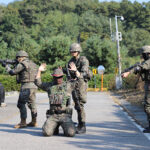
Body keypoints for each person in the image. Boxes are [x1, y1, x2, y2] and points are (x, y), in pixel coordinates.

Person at [35, 64, 76, 137]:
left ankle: (64, 127)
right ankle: (55, 127)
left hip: (64, 115)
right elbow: (38, 83)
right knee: (46, 133)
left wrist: (75, 71)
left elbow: (79, 81)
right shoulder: (50, 86)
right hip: (53, 115)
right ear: (53, 77)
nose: (58, 79)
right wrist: (39, 70)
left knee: (71, 133)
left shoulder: (67, 85)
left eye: (60, 77)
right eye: (56, 77)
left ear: (62, 77)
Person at [5, 50, 38, 128]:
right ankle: (34, 121)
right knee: (32, 104)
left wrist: (6, 67)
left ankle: (23, 122)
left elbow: (13, 72)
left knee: (21, 104)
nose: (17, 59)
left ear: (21, 57)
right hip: (33, 85)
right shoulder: (33, 64)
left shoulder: (22, 64)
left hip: (26, 86)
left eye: (18, 58)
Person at [122, 45, 150, 133]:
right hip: (148, 85)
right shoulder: (146, 61)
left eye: (143, 54)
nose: (142, 56)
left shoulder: (149, 62)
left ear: (147, 54)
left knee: (148, 107)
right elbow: (137, 66)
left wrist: (128, 73)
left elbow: (139, 67)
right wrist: (127, 71)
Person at [65, 43, 90, 134]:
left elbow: (83, 74)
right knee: (73, 104)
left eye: (74, 51)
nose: (72, 52)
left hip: (81, 83)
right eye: (71, 51)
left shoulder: (83, 60)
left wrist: (76, 71)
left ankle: (82, 125)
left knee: (80, 105)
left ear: (78, 51)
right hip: (73, 83)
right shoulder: (71, 61)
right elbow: (68, 74)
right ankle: (75, 123)